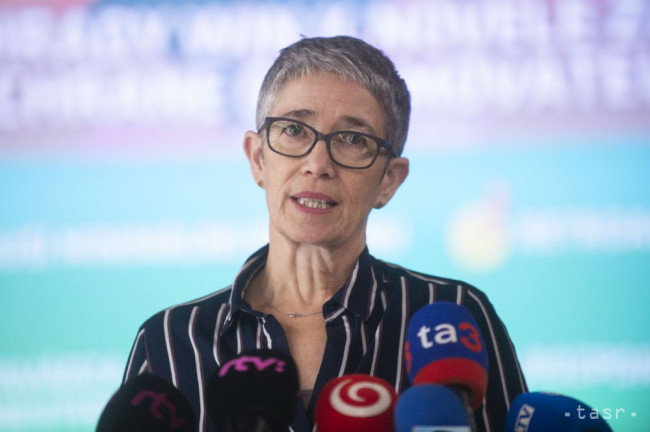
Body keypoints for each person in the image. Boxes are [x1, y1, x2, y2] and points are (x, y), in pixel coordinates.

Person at [121, 35, 527, 432]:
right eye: (294, 130)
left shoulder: (454, 316)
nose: (318, 164)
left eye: (353, 139)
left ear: (389, 180)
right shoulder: (169, 341)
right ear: (258, 159)